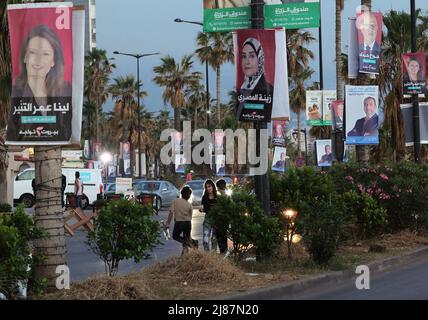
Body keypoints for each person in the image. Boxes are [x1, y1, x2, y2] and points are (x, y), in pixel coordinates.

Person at [12, 24, 71, 101]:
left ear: (53, 61)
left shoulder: (67, 91)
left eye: (45, 54)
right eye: (33, 52)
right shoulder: (14, 92)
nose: (38, 59)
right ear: (25, 57)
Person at [237, 37, 274, 121]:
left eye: (252, 56)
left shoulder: (269, 89)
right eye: (243, 56)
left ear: (260, 59)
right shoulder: (242, 89)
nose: (247, 61)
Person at [165, 186, 196, 255]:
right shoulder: (189, 205)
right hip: (188, 223)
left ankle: (189, 244)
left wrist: (168, 223)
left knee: (175, 236)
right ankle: (189, 245)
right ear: (189, 196)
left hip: (179, 223)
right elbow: (190, 217)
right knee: (186, 238)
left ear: (181, 193)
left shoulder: (176, 201)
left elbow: (171, 212)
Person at [200, 180, 218, 252]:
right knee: (205, 239)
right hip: (208, 219)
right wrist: (202, 210)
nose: (208, 188)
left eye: (209, 186)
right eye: (206, 187)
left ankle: (213, 257)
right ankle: (207, 256)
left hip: (216, 219)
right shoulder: (204, 197)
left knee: (214, 239)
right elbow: (205, 209)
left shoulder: (218, 197)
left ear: (213, 187)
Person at [215, 179, 229, 254]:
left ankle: (223, 251)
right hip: (225, 220)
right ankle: (224, 250)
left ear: (218, 187)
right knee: (224, 236)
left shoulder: (219, 197)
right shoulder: (227, 195)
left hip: (220, 220)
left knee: (220, 236)